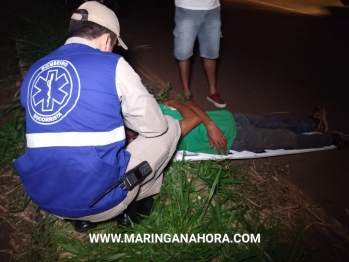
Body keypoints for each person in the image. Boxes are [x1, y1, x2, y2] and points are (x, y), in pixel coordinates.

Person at [13, 1, 181, 232]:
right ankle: (136, 205)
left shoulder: (35, 69)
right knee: (169, 127)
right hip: (100, 201)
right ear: (105, 40)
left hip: (45, 197)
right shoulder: (112, 64)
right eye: (113, 44)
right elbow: (154, 126)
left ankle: (81, 219)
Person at [126, 100, 349, 154]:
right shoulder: (156, 137)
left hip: (227, 118)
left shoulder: (147, 111)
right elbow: (192, 117)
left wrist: (210, 122)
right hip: (235, 137)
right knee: (285, 138)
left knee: (274, 121)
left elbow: (190, 104)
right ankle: (331, 140)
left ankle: (313, 124)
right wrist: (176, 103)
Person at [173, 0, 226, 108]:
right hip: (187, 8)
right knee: (184, 53)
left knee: (211, 53)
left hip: (212, 9)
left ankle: (212, 92)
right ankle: (186, 94)